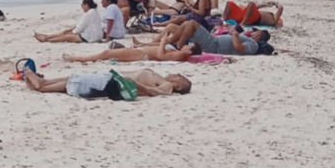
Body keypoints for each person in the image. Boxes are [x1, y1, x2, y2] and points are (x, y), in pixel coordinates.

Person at [24, 67, 191, 98]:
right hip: (108, 77)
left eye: (180, 77)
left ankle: (29, 74)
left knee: (73, 81)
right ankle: (36, 80)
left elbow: (156, 92)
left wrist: (134, 84)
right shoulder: (161, 78)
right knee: (71, 78)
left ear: (177, 86)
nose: (177, 74)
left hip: (111, 82)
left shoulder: (167, 85)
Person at [35, 0, 104, 43]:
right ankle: (46, 36)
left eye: (82, 5)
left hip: (90, 37)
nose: (82, 7)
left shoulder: (89, 14)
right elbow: (82, 25)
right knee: (65, 32)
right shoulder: (94, 12)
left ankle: (46, 39)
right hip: (96, 35)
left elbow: (81, 27)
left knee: (65, 36)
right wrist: (71, 30)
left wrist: (72, 31)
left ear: (86, 5)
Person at [66, 43, 202, 63]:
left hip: (142, 55)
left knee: (107, 53)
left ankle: (80, 58)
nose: (184, 45)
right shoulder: (178, 52)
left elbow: (161, 56)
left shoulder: (180, 55)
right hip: (141, 51)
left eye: (188, 46)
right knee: (109, 52)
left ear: (189, 51)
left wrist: (163, 42)